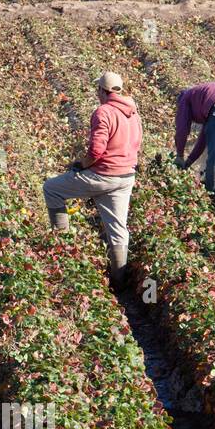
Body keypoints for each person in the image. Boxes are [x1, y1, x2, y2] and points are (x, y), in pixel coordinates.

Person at [43, 70, 142, 290]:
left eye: (98, 89)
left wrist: (82, 164)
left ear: (102, 91)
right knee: (117, 228)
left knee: (51, 189)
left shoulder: (103, 112)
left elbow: (97, 150)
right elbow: (137, 142)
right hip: (125, 176)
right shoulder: (133, 111)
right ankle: (119, 282)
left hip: (103, 175)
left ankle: (62, 247)